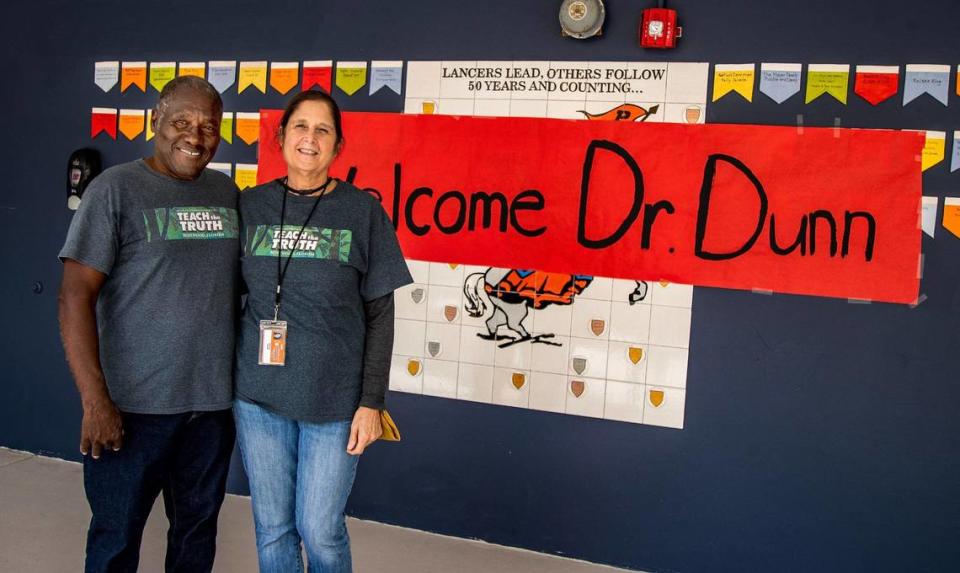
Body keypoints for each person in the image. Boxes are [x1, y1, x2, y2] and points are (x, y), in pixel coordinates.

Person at [58, 76, 239, 572]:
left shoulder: (226, 191)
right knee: (116, 541)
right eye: (182, 122)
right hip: (132, 411)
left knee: (196, 540)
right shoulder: (115, 189)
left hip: (210, 412)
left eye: (208, 125)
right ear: (155, 121)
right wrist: (95, 402)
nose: (195, 136)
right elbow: (75, 297)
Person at [234, 90, 412, 572]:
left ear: (337, 147)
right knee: (272, 529)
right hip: (258, 398)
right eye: (300, 127)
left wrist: (372, 402)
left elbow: (381, 315)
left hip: (334, 403)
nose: (309, 138)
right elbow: (226, 296)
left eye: (323, 130)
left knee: (320, 531)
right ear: (280, 136)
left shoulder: (363, 213)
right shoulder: (249, 206)